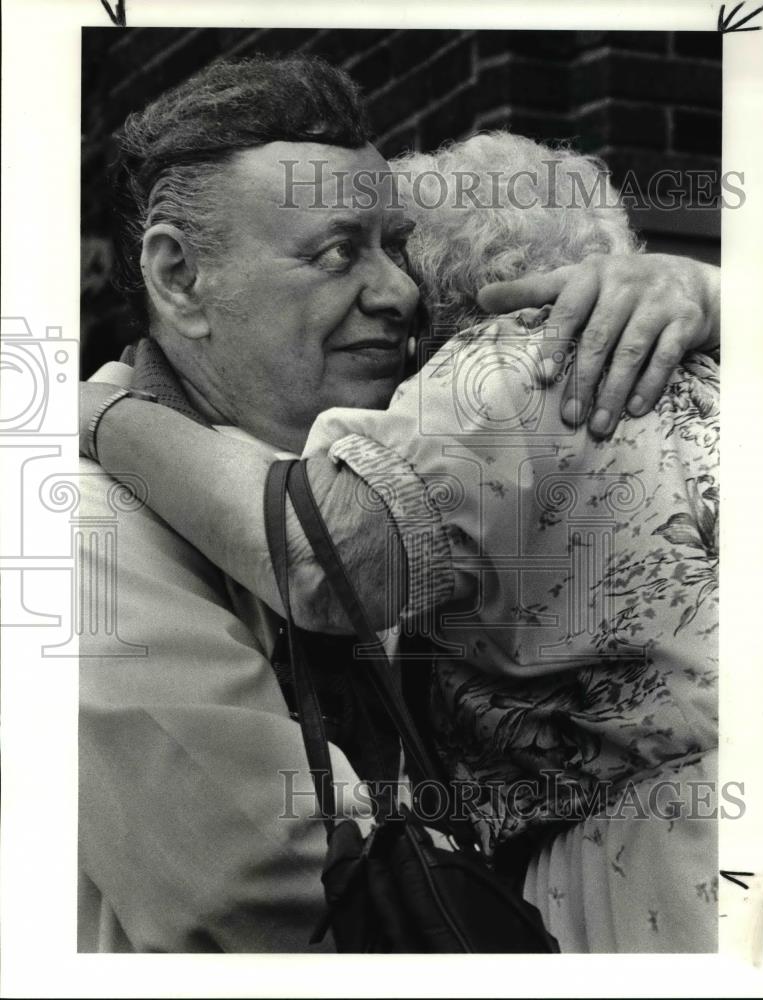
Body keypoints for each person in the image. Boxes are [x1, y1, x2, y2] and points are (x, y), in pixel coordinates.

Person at [79, 54, 721, 952]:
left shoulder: (442, 443)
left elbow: (318, 553)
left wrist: (702, 290)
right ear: (180, 278)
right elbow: (265, 886)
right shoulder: (82, 520)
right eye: (342, 251)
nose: (401, 292)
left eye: (397, 245)